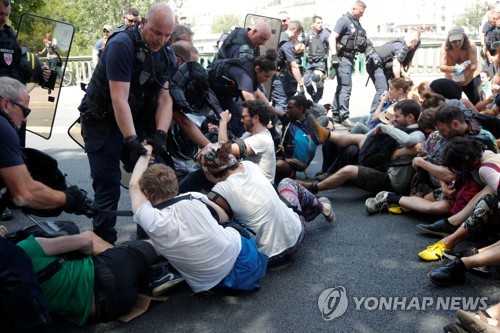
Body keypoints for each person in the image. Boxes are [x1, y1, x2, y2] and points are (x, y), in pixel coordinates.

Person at [78, 4, 177, 244]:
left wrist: (160, 135)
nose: (161, 40)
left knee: (157, 177)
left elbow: (164, 99)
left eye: (167, 35)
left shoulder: (167, 56)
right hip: (101, 122)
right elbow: (118, 97)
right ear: (143, 22)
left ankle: (152, 242)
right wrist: (132, 141)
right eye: (157, 33)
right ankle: (105, 248)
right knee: (108, 188)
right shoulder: (122, 44)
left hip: (132, 121)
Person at [0, 76, 92, 332]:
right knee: (15, 266)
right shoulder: (2, 125)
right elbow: (25, 194)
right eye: (25, 110)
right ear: (6, 104)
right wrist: (70, 199)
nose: (26, 118)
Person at [129, 145, 268, 293]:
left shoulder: (150, 220)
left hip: (213, 285)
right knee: (229, 224)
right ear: (175, 186)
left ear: (146, 194)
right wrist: (149, 147)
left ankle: (174, 270)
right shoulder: (194, 197)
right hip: (245, 259)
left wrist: (144, 156)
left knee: (166, 243)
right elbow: (223, 217)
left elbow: (132, 185)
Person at [195, 141, 335, 267]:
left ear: (210, 172)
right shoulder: (249, 165)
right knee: (287, 183)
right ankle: (322, 208)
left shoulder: (219, 191)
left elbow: (220, 222)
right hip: (297, 237)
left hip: (268, 258)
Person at [365, 104, 497, 216]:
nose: (441, 133)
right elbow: (429, 160)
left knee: (440, 208)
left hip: (473, 186)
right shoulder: (437, 136)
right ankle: (391, 198)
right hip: (438, 185)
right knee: (437, 206)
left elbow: (453, 174)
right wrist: (443, 185)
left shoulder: (481, 138)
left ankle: (392, 198)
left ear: (455, 124)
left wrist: (423, 163)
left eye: (443, 129)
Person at [16, 230, 167, 325]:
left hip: (109, 309)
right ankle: (144, 263)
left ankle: (138, 269)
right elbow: (85, 242)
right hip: (110, 274)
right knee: (159, 243)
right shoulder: (23, 249)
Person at [298, 99, 424, 195]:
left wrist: (387, 127)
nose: (394, 120)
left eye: (397, 117)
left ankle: (315, 188)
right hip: (381, 163)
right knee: (360, 138)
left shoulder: (418, 134)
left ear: (410, 117)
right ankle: (326, 135)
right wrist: (377, 131)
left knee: (349, 170)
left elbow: (407, 141)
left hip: (390, 179)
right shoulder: (401, 127)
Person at [417, 137, 500, 261]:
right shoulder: (484, 156)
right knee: (479, 190)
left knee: (486, 198)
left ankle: (451, 235)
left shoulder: (486, 169)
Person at [179, 99, 276, 192]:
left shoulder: (262, 139)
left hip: (257, 189)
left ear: (256, 118)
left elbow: (224, 151)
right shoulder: (249, 134)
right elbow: (232, 144)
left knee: (200, 176)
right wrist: (219, 130)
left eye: (244, 117)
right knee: (206, 173)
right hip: (246, 179)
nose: (241, 120)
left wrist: (223, 122)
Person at [208, 49, 278, 137]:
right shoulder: (245, 76)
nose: (267, 80)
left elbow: (258, 95)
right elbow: (252, 104)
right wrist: (270, 128)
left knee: (237, 121)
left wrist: (274, 112)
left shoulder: (254, 72)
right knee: (232, 122)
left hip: (226, 94)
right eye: (266, 76)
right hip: (210, 91)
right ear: (257, 69)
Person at [329, 1, 368, 128]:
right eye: (360, 12)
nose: (362, 15)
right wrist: (334, 55)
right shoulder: (344, 20)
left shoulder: (356, 22)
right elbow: (332, 37)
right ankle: (344, 116)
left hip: (349, 58)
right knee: (346, 87)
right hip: (343, 58)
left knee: (342, 86)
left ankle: (336, 114)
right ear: (354, 8)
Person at [275, 95, 331, 182]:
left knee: (278, 165)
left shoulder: (309, 125)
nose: (287, 110)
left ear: (300, 109)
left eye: (290, 108)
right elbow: (270, 109)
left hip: (289, 164)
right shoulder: (288, 119)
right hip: (283, 157)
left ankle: (291, 173)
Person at [365, 30, 421, 111]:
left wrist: (406, 73)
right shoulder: (400, 46)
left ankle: (387, 110)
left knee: (390, 88)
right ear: (412, 42)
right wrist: (399, 81)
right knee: (382, 89)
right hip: (375, 64)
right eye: (413, 46)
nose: (413, 48)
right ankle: (374, 113)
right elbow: (396, 64)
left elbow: (408, 59)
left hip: (384, 66)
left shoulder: (406, 45)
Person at [439, 26, 480, 105]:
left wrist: (467, 68)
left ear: (464, 38)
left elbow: (475, 65)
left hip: (469, 79)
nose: (457, 44)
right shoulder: (445, 47)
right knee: (452, 104)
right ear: (449, 40)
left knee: (476, 101)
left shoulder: (470, 45)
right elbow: (441, 67)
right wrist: (452, 68)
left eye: (459, 41)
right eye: (454, 41)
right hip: (452, 80)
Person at [272, 20, 305, 112]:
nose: (297, 37)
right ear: (295, 31)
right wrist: (301, 85)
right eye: (298, 34)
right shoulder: (287, 43)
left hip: (270, 73)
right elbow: (294, 66)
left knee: (277, 100)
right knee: (282, 101)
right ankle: (279, 124)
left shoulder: (279, 36)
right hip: (276, 75)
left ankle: (275, 121)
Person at [303, 16, 330, 103]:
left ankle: (317, 100)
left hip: (320, 63)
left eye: (321, 22)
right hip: (310, 63)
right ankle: (314, 97)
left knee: (317, 78)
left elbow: (332, 43)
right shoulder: (309, 34)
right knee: (306, 81)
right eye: (318, 23)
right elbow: (304, 46)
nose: (320, 24)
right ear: (313, 24)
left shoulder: (325, 34)